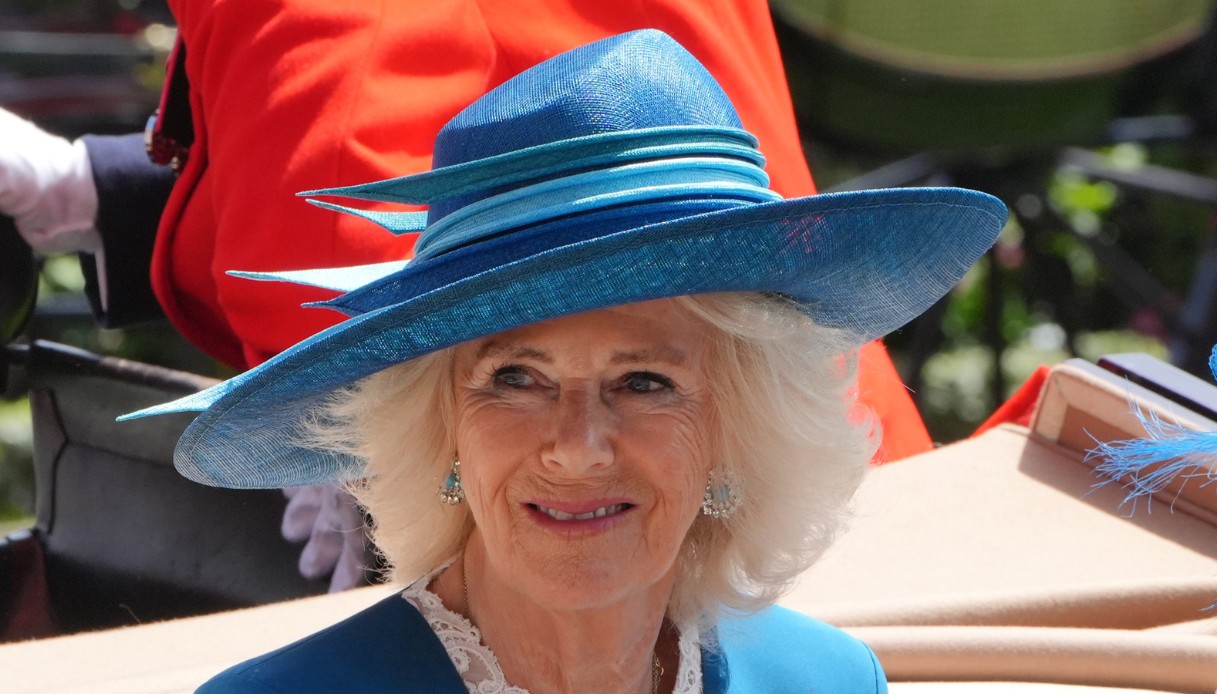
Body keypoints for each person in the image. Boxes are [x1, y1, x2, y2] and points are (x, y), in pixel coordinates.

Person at [128, 31, 1006, 692]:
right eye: (515, 379)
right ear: (440, 427)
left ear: (739, 425)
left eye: (644, 382)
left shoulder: (827, 681)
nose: (577, 448)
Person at [2, 0, 936, 593]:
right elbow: (530, 131)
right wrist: (98, 191)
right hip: (784, 440)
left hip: (706, 499)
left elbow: (360, 121)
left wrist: (363, 410)